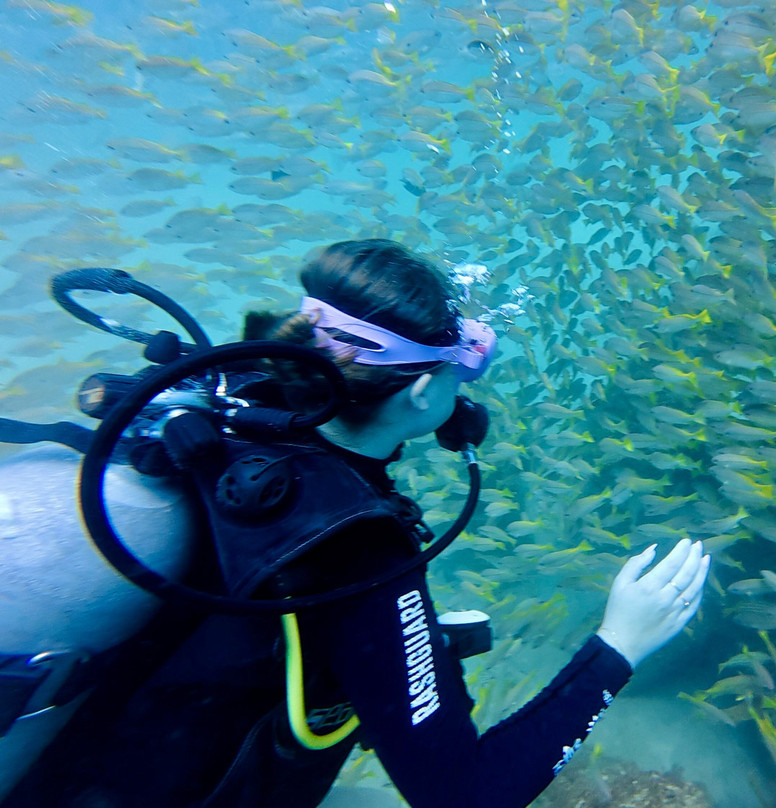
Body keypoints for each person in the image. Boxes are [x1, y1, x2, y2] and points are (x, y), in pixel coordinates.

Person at [0, 239, 710, 808]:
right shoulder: (355, 548)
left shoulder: (220, 403)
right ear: (427, 390)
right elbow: (463, 794)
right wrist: (620, 644)